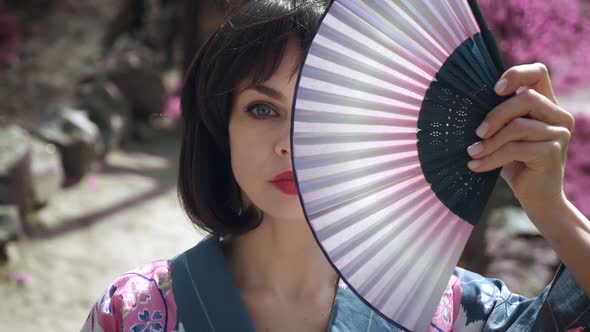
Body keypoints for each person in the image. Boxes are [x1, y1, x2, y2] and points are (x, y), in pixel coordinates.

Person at [81, 0, 590, 331]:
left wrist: (553, 209)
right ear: (221, 129)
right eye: (263, 110)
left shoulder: (449, 309)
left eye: (323, 112)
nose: (291, 143)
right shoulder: (131, 313)